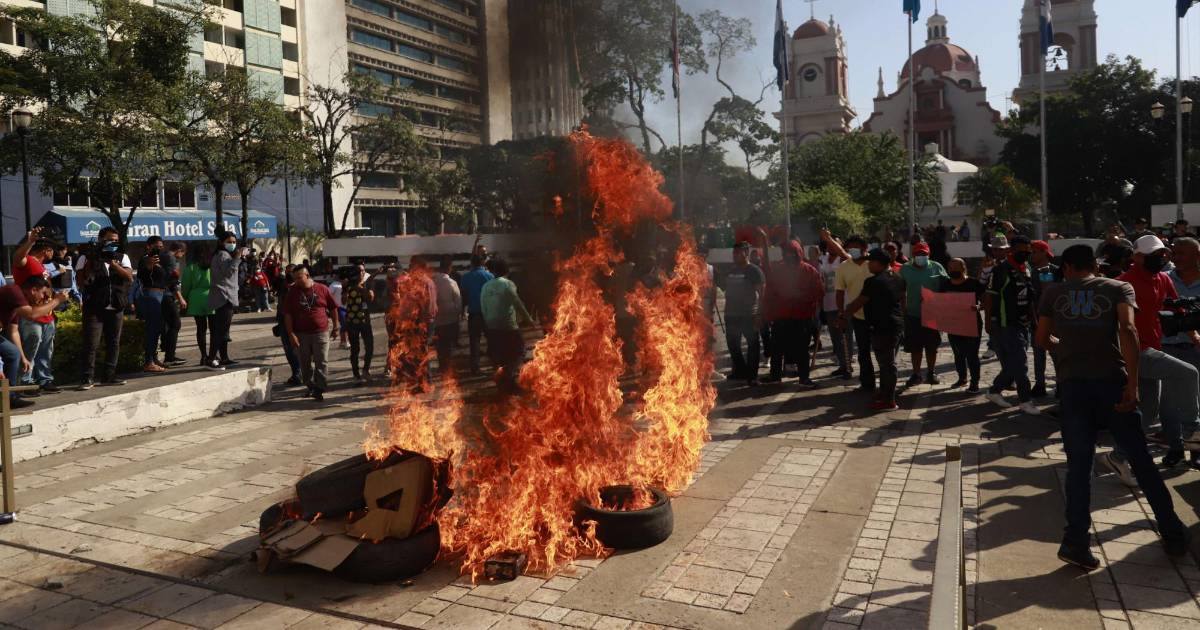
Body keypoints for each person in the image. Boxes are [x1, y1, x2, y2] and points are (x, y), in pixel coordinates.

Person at [1035, 244, 1189, 569]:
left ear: (1067, 267)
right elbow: (1128, 329)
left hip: (1073, 387)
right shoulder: (1119, 288)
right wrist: (1133, 384)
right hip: (1111, 384)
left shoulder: (1053, 293)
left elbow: (1042, 338)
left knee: (1079, 466)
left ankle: (1075, 541)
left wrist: (1065, 349)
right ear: (1095, 265)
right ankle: (1172, 532)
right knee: (1141, 460)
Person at [1110, 235, 1200, 472]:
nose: (1160, 258)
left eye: (1161, 253)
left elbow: (1178, 311)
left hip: (1153, 347)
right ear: (1137, 257)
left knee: (1148, 412)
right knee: (1188, 373)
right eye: (1153, 254)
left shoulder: (1163, 279)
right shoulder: (1122, 283)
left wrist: (1194, 336)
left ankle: (1117, 456)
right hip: (1135, 351)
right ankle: (1192, 430)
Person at [840, 249, 906, 410]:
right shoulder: (898, 278)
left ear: (878, 263)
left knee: (887, 364)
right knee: (886, 363)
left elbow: (858, 302)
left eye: (870, 262)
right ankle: (884, 393)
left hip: (883, 327)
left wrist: (844, 316)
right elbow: (903, 301)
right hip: (896, 325)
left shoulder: (873, 281)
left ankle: (889, 400)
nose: (868, 264)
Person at [984, 235, 1040, 415]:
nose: (1025, 254)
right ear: (1012, 250)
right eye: (1021, 251)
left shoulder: (1026, 269)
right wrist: (988, 321)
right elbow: (989, 297)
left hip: (1023, 323)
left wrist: (1034, 320)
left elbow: (1029, 297)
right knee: (1020, 363)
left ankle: (994, 390)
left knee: (1013, 364)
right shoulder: (1001, 270)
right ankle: (1025, 400)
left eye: (1028, 251)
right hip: (1005, 323)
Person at [760, 238, 824, 387]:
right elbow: (769, 292)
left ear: (798, 253)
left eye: (791, 253)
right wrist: (767, 313)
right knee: (777, 348)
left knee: (802, 349)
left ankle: (804, 378)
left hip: (802, 317)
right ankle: (775, 375)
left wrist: (800, 296)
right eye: (786, 253)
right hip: (781, 316)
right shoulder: (777, 270)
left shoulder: (809, 271)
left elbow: (819, 292)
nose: (788, 256)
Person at [76, 227, 134, 389]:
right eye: (109, 240)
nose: (113, 243)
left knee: (114, 342)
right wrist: (93, 260)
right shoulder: (86, 257)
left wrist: (114, 265)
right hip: (94, 307)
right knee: (91, 343)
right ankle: (87, 378)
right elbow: (81, 282)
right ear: (101, 240)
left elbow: (129, 277)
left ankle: (109, 376)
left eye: (116, 241)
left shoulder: (122, 257)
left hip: (116, 306)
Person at [1, 277, 70, 408]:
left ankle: (10, 398)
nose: (44, 297)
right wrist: (57, 300)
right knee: (11, 354)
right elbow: (32, 314)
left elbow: (13, 332)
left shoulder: (18, 304)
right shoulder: (13, 291)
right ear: (33, 290)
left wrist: (23, 357)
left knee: (13, 353)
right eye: (43, 293)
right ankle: (8, 397)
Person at [1163, 237, 1200, 468]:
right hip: (1167, 349)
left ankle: (1196, 450)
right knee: (1168, 404)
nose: (1176, 258)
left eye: (1182, 253)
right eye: (1174, 253)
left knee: (1196, 403)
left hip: (1195, 350)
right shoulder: (1164, 279)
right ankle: (1175, 448)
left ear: (1197, 256)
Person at [12, 229, 60, 394]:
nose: (53, 253)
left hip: (46, 313)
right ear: (47, 250)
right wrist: (30, 242)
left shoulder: (41, 266)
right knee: (30, 348)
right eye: (52, 250)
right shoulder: (28, 261)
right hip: (30, 314)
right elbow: (17, 258)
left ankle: (44, 379)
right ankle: (25, 382)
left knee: (46, 349)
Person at [283, 265, 338, 401]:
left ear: (307, 275)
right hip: (301, 334)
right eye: (294, 278)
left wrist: (336, 326)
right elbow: (287, 314)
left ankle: (320, 388)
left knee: (321, 361)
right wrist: (291, 334)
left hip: (321, 332)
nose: (296, 281)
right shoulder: (292, 292)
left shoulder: (322, 288)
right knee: (304, 363)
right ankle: (310, 385)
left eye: (299, 278)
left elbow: (333, 308)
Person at [480, 257, 533, 394]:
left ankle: (505, 384)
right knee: (519, 351)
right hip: (508, 326)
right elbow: (517, 303)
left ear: (493, 271)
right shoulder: (508, 284)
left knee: (501, 355)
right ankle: (507, 377)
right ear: (507, 271)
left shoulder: (486, 286)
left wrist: (489, 322)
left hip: (491, 326)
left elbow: (483, 307)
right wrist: (529, 319)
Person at [898, 242, 947, 386]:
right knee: (915, 347)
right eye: (918, 254)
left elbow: (947, 285)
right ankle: (916, 374)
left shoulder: (937, 267)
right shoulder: (905, 269)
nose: (921, 256)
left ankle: (931, 372)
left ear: (928, 255)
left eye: (924, 254)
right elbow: (900, 290)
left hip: (933, 314)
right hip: (913, 314)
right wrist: (903, 310)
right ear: (913, 255)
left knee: (932, 346)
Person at [835, 236, 874, 393]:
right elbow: (839, 292)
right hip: (858, 315)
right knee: (863, 351)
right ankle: (867, 383)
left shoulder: (874, 263)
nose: (853, 251)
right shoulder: (843, 267)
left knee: (882, 351)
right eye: (850, 248)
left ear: (864, 248)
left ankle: (886, 383)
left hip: (878, 314)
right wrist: (841, 314)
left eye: (856, 247)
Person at [724, 241, 765, 385]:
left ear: (746, 253)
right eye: (733, 253)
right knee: (733, 345)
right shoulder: (731, 271)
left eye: (738, 253)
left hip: (749, 315)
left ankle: (752, 376)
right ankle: (740, 371)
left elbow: (762, 294)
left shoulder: (754, 271)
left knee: (753, 345)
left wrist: (759, 315)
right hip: (731, 315)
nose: (734, 255)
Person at [940, 258, 984, 392]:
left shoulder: (974, 283)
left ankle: (974, 382)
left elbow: (985, 301)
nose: (953, 270)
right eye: (950, 268)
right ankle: (962, 378)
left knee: (972, 355)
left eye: (956, 268)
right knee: (958, 354)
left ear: (963, 268)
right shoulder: (945, 284)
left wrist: (978, 307)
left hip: (972, 324)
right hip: (953, 324)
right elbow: (940, 302)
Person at [817, 231, 853, 380]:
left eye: (835, 243)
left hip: (843, 304)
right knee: (835, 338)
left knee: (846, 337)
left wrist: (829, 238)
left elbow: (844, 254)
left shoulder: (844, 259)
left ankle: (848, 365)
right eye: (829, 243)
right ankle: (842, 364)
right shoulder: (823, 259)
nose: (831, 245)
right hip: (828, 304)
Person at [205, 231, 242, 370]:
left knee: (223, 331)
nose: (232, 244)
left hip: (224, 295)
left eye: (234, 242)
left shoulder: (223, 254)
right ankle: (211, 359)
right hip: (224, 296)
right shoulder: (223, 255)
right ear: (221, 242)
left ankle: (224, 358)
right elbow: (228, 272)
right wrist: (237, 258)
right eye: (229, 242)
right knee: (220, 330)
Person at [1029, 240, 1061, 398]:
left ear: (1044, 252)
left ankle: (1061, 384)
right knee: (1038, 353)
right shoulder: (1031, 272)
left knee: (1056, 352)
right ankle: (1039, 384)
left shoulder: (1057, 271)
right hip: (1037, 317)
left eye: (1034, 252)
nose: (1032, 255)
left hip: (1054, 319)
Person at [136, 238, 172, 373]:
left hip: (160, 295)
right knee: (152, 329)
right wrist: (149, 265)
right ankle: (148, 362)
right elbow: (141, 275)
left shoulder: (160, 260)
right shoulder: (145, 259)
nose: (159, 249)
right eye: (156, 246)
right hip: (151, 295)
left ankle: (154, 358)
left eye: (161, 247)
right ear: (148, 246)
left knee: (158, 328)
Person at [458, 254, 494, 375]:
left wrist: (462, 311)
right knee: (491, 339)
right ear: (482, 263)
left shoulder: (465, 277)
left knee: (474, 341)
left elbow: (464, 296)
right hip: (488, 313)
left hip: (474, 313)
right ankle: (495, 364)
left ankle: (475, 367)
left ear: (472, 263)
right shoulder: (489, 276)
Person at [181, 245, 216, 367]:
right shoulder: (212, 267)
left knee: (201, 329)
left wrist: (185, 299)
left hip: (195, 298)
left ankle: (203, 356)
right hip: (211, 297)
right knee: (214, 329)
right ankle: (213, 355)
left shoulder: (190, 268)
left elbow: (185, 287)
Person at [342, 267, 375, 384]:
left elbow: (371, 298)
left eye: (363, 271)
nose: (361, 273)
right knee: (355, 349)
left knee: (370, 347)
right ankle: (356, 375)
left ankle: (366, 370)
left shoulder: (367, 284)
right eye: (358, 271)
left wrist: (362, 288)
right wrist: (345, 289)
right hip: (352, 322)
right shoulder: (348, 286)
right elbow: (343, 301)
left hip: (365, 321)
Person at [432, 256, 462, 378]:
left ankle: (442, 366)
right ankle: (448, 368)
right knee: (449, 345)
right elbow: (458, 302)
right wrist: (457, 314)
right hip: (451, 319)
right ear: (449, 268)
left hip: (438, 319)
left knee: (440, 345)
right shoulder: (452, 283)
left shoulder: (433, 282)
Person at [273, 264, 302, 386]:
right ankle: (296, 373)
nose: (289, 274)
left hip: (298, 323)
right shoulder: (283, 285)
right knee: (288, 350)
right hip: (283, 321)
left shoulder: (300, 287)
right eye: (287, 272)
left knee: (299, 349)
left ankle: (302, 373)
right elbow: (280, 304)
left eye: (291, 272)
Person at [160, 241, 187, 367]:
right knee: (175, 324)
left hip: (160, 295)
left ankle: (168, 353)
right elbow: (172, 281)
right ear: (179, 250)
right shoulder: (171, 259)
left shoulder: (163, 256)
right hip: (166, 295)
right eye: (183, 254)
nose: (182, 256)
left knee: (167, 324)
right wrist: (180, 298)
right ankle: (170, 357)